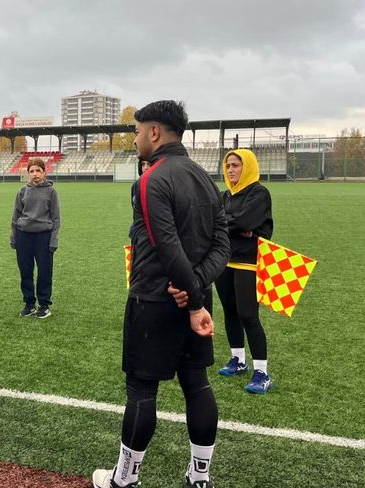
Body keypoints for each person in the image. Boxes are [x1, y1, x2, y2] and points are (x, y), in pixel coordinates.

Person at [92, 101, 229, 488]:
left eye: (137, 131)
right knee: (197, 384)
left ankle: (125, 478)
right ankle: (200, 477)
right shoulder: (205, 178)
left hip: (155, 301)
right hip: (194, 303)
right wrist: (198, 292)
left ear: (154, 132)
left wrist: (192, 298)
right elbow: (223, 244)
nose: (134, 139)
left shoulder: (151, 179)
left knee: (141, 391)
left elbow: (166, 246)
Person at [214, 149, 274, 394]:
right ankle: (238, 360)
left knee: (248, 315)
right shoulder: (224, 195)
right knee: (230, 312)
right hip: (224, 260)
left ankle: (262, 372)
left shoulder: (259, 193)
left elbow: (243, 222)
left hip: (248, 262)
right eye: (228, 165)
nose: (230, 170)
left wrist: (239, 225)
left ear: (247, 166)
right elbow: (214, 220)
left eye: (236, 165)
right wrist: (237, 226)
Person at [10, 157, 60, 319]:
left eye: (38, 170)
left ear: (44, 172)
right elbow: (15, 216)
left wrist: (53, 240)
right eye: (31, 171)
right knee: (25, 271)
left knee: (44, 272)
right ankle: (29, 303)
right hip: (24, 236)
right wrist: (14, 237)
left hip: (43, 237)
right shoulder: (22, 191)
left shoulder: (51, 192)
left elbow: (56, 218)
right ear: (28, 174)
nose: (35, 174)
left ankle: (44, 305)